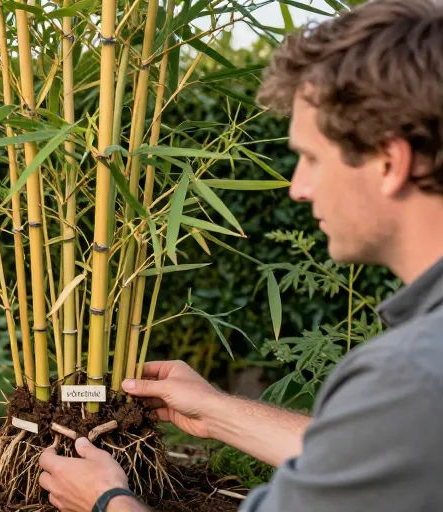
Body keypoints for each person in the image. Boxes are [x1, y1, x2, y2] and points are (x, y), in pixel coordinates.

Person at [38, 0, 443, 510]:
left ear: (390, 161)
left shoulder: (408, 376)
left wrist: (105, 501)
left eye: (311, 159)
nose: (297, 187)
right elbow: (388, 454)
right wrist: (217, 412)